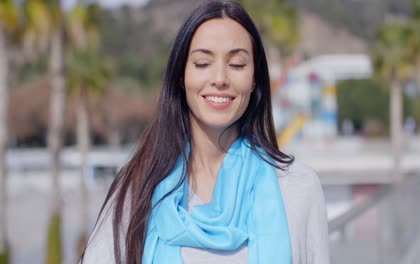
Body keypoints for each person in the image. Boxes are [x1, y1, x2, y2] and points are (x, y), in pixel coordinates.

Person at [80, 1, 329, 263]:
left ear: (254, 78)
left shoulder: (297, 187)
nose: (220, 78)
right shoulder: (138, 188)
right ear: (181, 75)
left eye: (237, 64)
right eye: (202, 63)